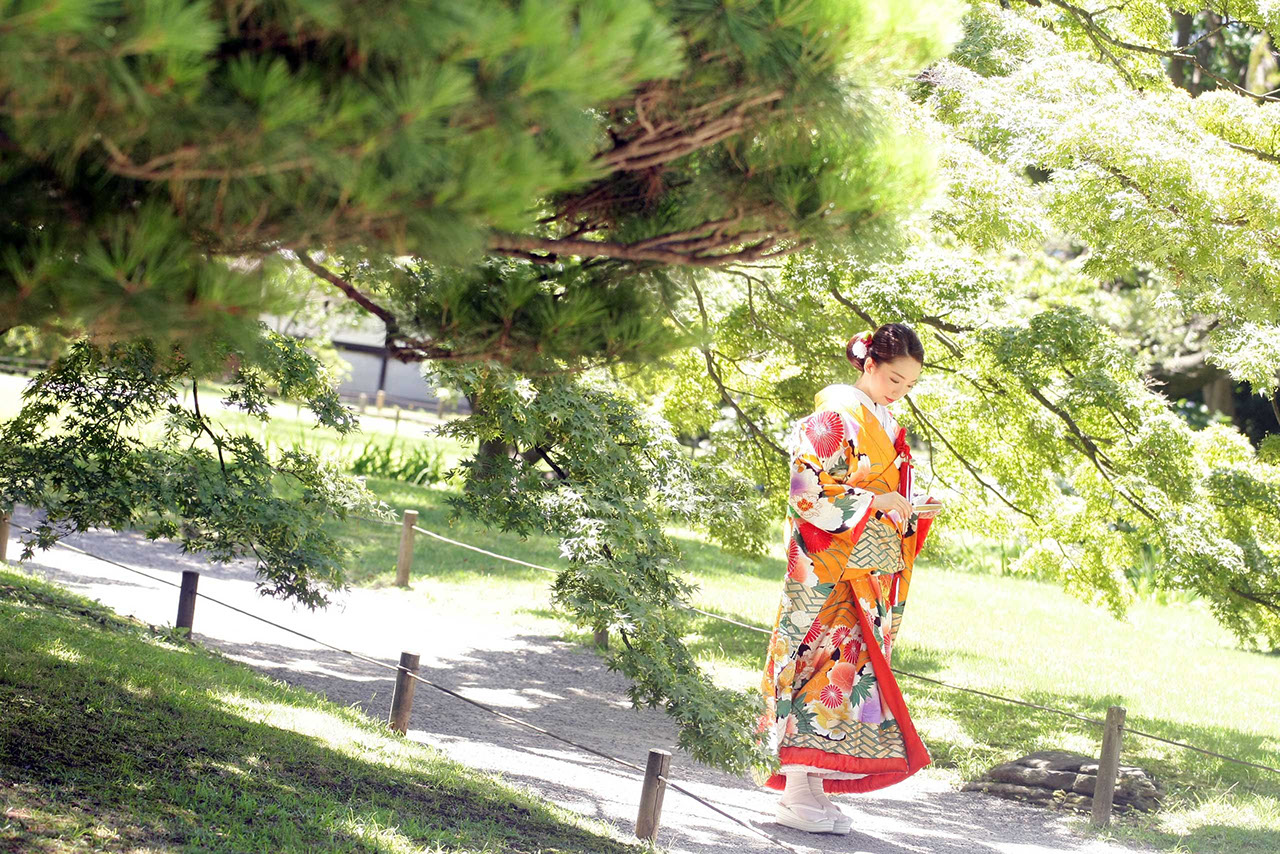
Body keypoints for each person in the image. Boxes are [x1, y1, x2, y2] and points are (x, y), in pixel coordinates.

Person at [754, 322, 941, 835]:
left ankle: (811, 787)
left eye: (909, 385)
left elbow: (883, 494)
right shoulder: (835, 414)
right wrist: (876, 501)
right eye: (895, 380)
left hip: (869, 569)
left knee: (849, 675)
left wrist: (911, 508)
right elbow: (804, 490)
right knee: (817, 665)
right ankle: (794, 790)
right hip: (831, 566)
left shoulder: (884, 422)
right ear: (869, 364)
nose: (900, 392)